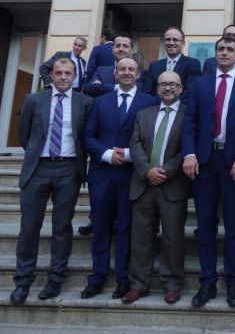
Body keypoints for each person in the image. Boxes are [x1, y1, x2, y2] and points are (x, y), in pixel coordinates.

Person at [182, 35, 235, 308]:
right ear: (215, 54)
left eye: (230, 49)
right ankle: (207, 283)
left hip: (233, 163)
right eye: (221, 49)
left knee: (234, 227)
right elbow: (190, 121)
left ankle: (233, 283)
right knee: (204, 226)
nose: (224, 52)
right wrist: (190, 153)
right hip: (204, 162)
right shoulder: (201, 84)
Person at [10, 58, 93, 304]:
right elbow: (25, 135)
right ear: (52, 75)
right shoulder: (34, 100)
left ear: (75, 76)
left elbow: (85, 136)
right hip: (38, 167)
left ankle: (55, 279)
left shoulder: (86, 102)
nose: (64, 77)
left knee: (62, 227)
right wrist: (39, 155)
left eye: (69, 73)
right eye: (59, 72)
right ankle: (23, 281)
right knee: (29, 228)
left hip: (68, 168)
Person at [81, 57, 159, 300]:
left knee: (127, 228)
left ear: (139, 75)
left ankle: (124, 279)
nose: (127, 73)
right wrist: (106, 154)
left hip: (132, 175)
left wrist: (126, 154)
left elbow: (153, 139)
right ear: (115, 74)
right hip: (102, 174)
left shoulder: (150, 102)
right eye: (122, 69)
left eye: (132, 69)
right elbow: (88, 136)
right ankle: (97, 277)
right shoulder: (100, 102)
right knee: (102, 228)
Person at [121, 71, 190, 305]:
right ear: (157, 88)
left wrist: (167, 170)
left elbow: (188, 148)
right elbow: (135, 143)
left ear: (181, 88)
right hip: (144, 183)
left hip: (173, 184)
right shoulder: (144, 114)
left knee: (173, 238)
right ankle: (138, 284)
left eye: (173, 84)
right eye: (163, 84)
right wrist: (147, 170)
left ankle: (172, 285)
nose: (168, 88)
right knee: (141, 238)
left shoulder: (189, 114)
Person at [141, 27, 202, 102]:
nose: (171, 43)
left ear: (183, 43)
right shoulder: (154, 66)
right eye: (168, 39)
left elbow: (190, 91)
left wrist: (172, 107)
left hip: (181, 110)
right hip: (156, 109)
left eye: (175, 40)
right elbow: (147, 92)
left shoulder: (192, 64)